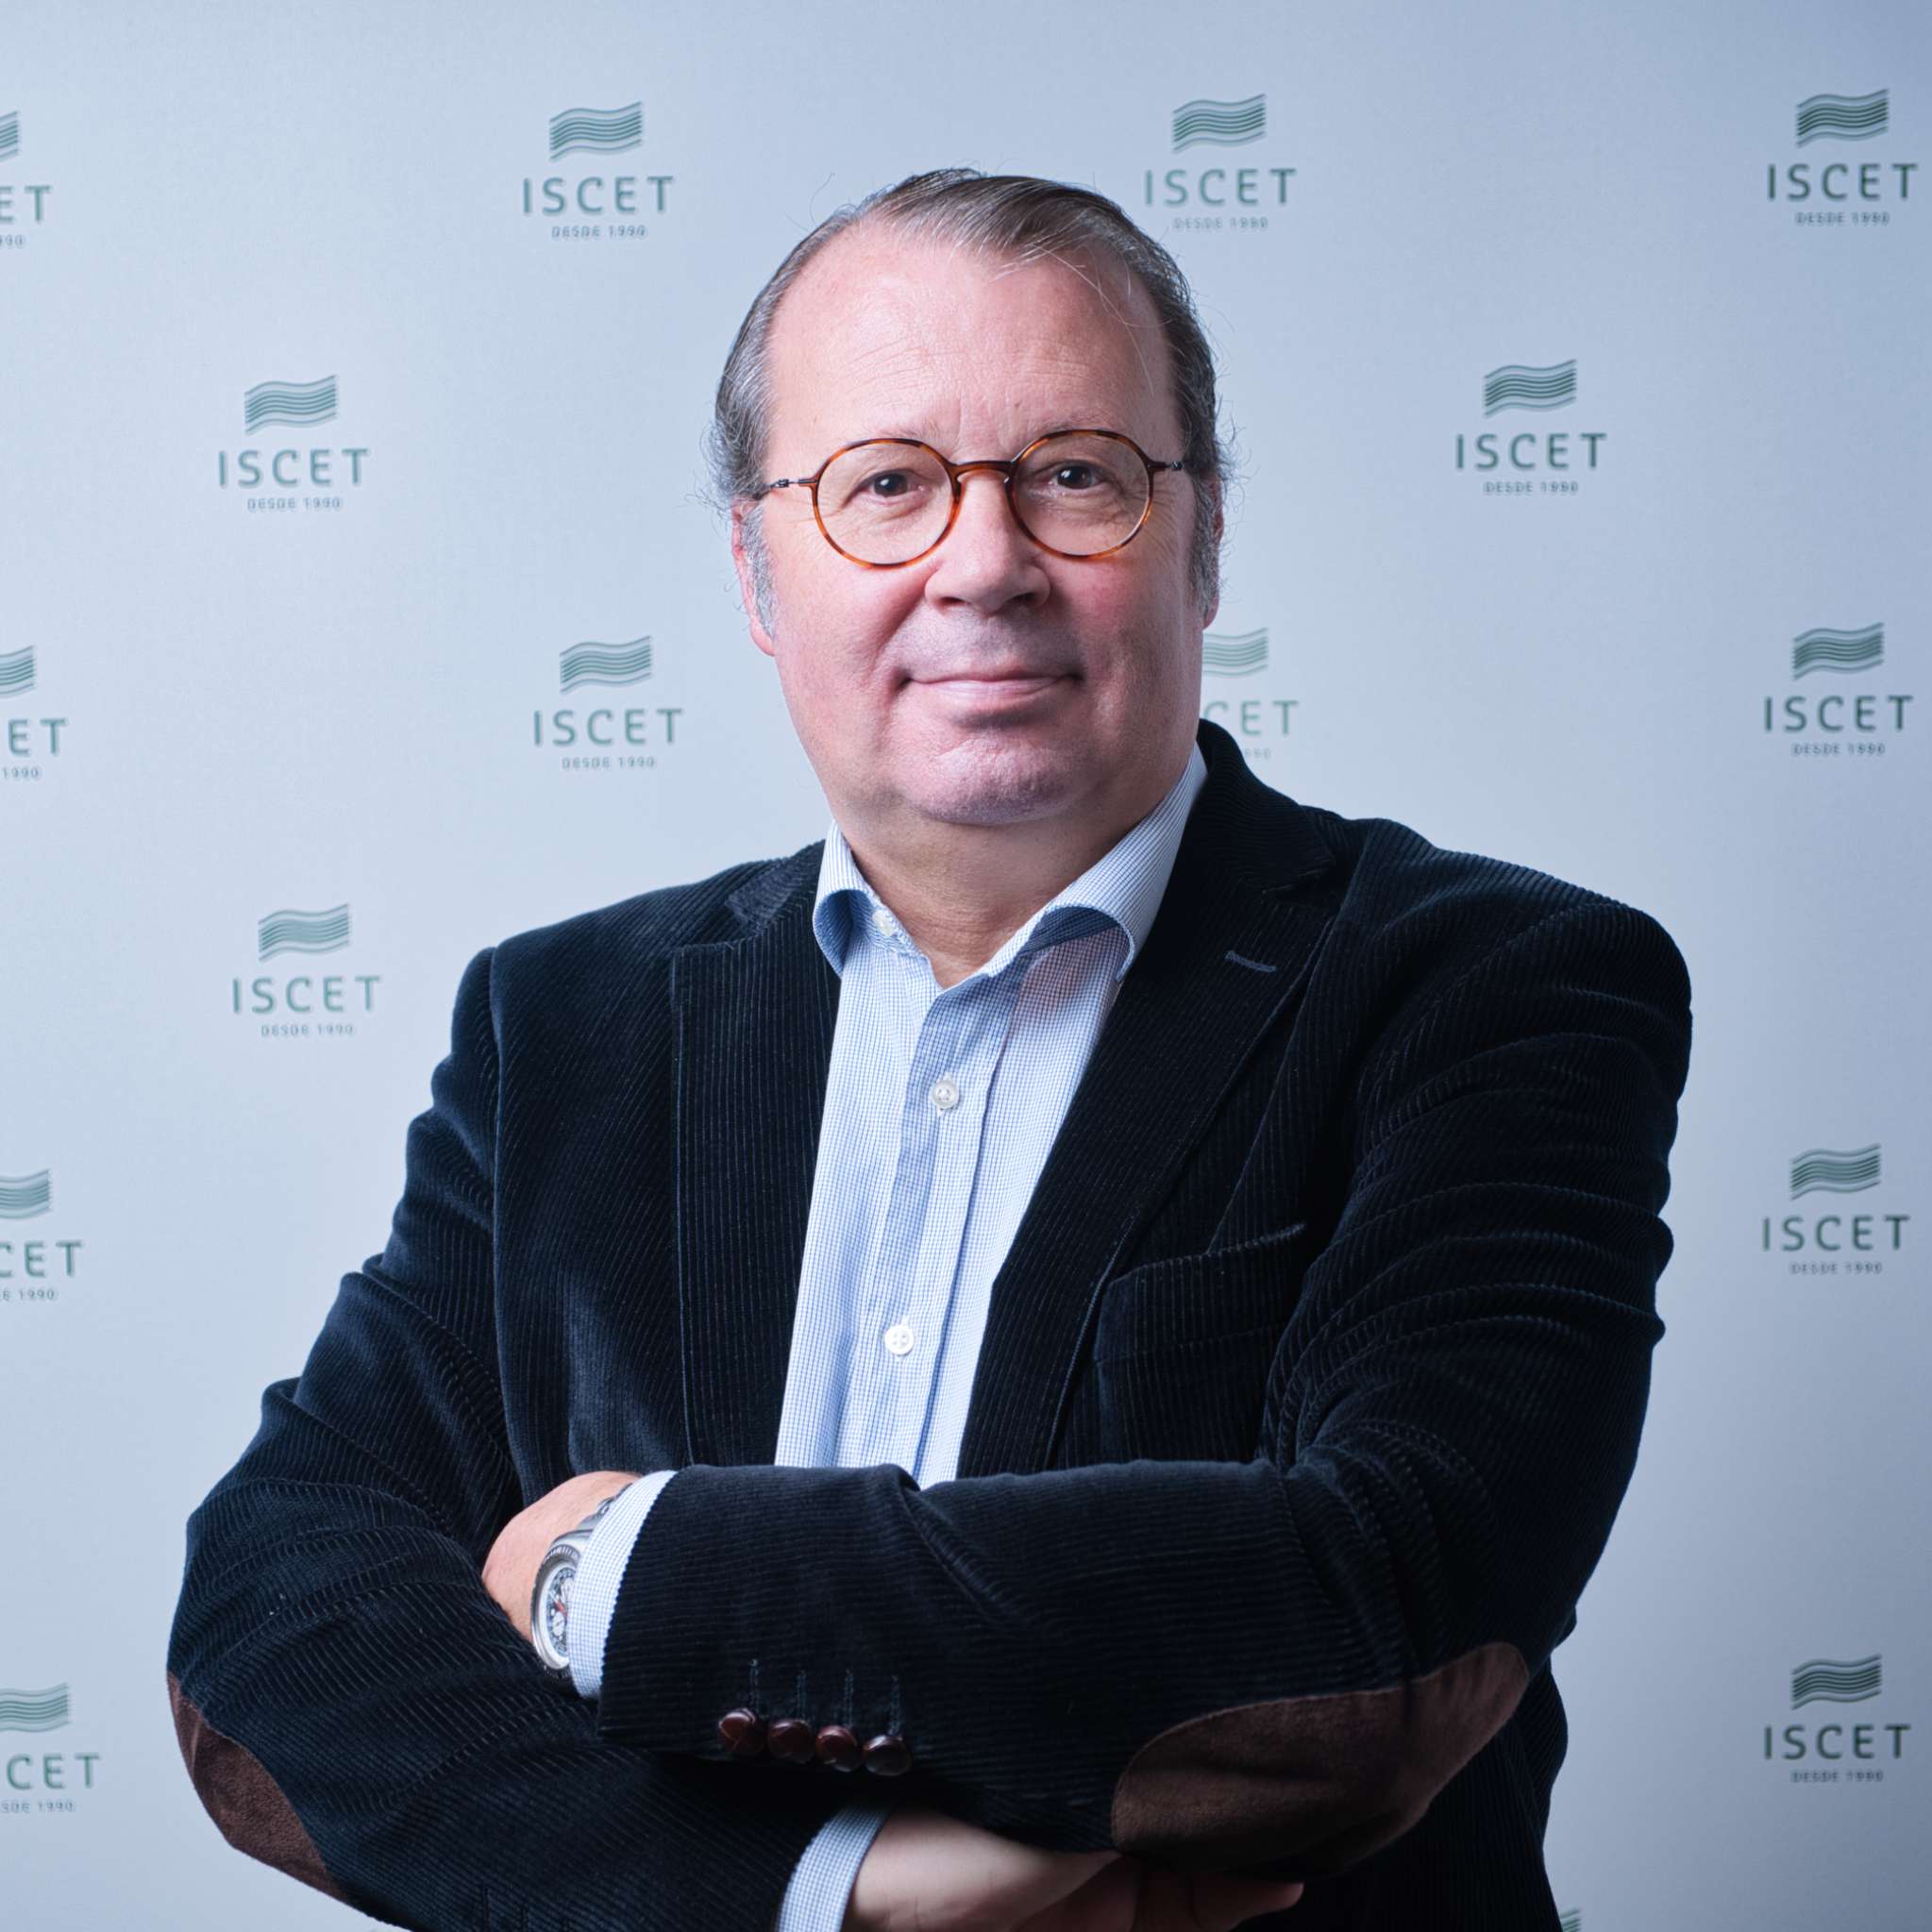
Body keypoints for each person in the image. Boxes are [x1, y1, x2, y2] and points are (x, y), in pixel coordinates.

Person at [166, 169, 1692, 1932]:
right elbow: (277, 1612)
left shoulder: (1492, 987)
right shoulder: (563, 1026)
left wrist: (614, 1566)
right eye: (885, 484)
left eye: (1076, 476)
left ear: (1202, 543)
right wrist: (831, 1891)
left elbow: (1394, 1607)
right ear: (759, 570)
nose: (983, 564)